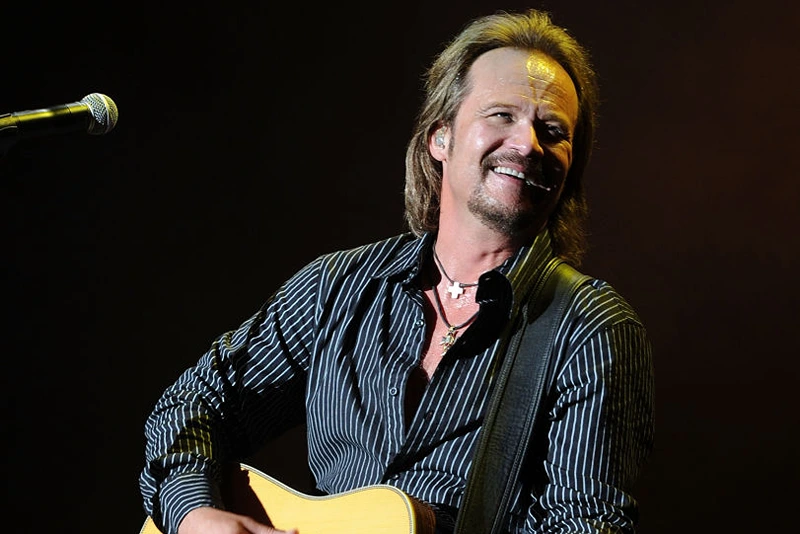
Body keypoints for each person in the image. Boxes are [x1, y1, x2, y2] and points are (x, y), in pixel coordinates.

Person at [140, 8, 654, 534]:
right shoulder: (339, 287)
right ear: (441, 138)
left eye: (552, 130)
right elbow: (195, 403)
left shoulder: (591, 330)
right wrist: (194, 514)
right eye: (502, 115)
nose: (527, 144)